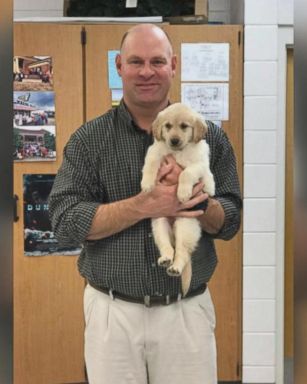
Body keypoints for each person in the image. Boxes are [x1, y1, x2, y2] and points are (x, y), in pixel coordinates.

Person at [48, 24, 242, 384]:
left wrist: (200, 203)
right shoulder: (89, 140)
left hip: (186, 310)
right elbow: (64, 222)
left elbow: (230, 220)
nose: (147, 71)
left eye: (157, 61)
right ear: (119, 66)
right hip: (112, 311)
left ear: (174, 66)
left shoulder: (209, 136)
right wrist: (145, 205)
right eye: (136, 61)